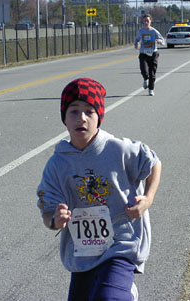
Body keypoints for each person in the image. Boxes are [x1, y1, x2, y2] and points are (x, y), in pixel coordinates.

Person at [37, 77, 162, 301]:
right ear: (64, 118)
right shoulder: (57, 164)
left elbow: (153, 163)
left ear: (99, 117)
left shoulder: (118, 149)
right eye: (73, 111)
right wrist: (55, 220)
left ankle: (124, 293)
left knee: (109, 298)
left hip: (121, 243)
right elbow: (47, 211)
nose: (81, 118)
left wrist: (148, 198)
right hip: (83, 249)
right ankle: (126, 292)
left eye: (89, 112)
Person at [134, 14, 164, 96]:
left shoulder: (154, 31)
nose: (146, 22)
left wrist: (159, 41)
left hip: (153, 53)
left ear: (150, 21)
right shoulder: (140, 31)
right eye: (144, 21)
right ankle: (145, 79)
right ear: (142, 22)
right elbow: (136, 39)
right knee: (144, 70)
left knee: (152, 73)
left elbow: (162, 40)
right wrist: (136, 43)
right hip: (143, 53)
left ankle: (151, 89)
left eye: (148, 20)